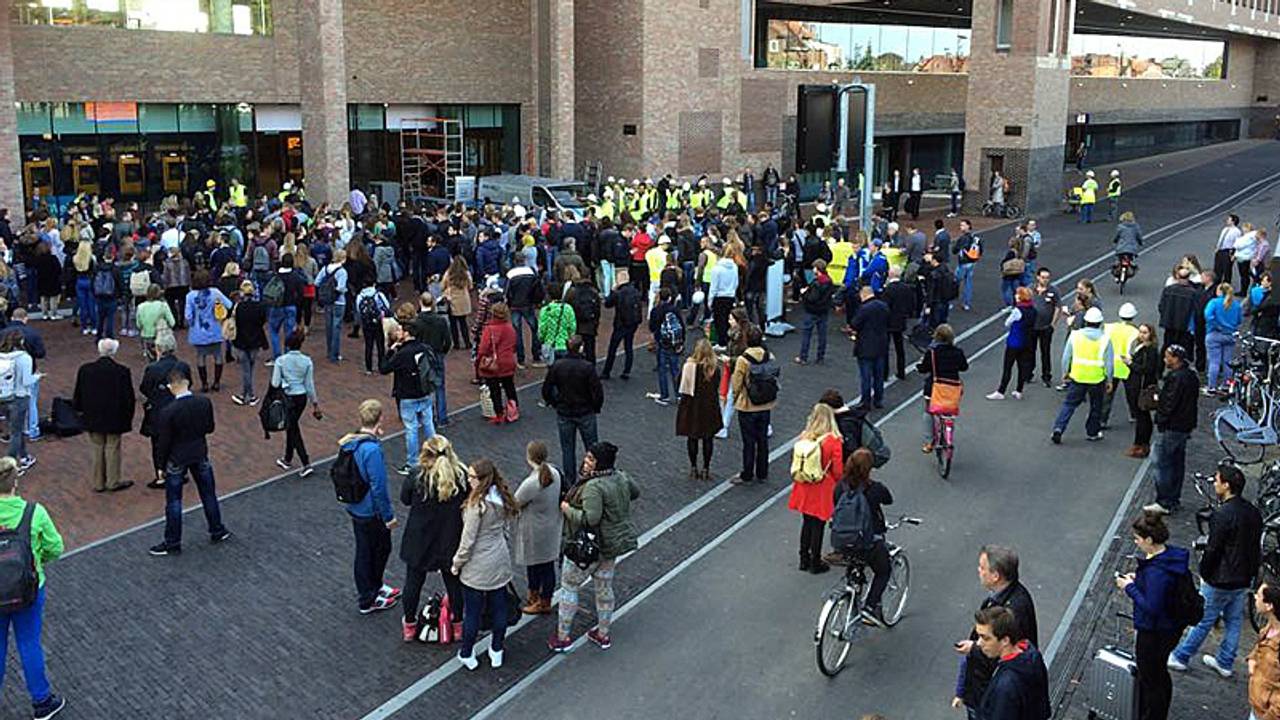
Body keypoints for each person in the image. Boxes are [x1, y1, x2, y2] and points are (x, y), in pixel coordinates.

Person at [1168, 463, 1263, 678]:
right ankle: (1225, 661)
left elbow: (1214, 548)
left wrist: (1204, 571)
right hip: (1243, 576)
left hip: (1221, 577)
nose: (1215, 484)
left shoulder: (1222, 514)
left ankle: (1181, 656)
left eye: (1217, 480)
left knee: (1203, 618)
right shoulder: (1253, 512)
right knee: (1234, 619)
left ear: (1227, 485)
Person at [549, 442, 640, 653]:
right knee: (604, 588)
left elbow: (590, 518)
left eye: (590, 458)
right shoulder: (620, 477)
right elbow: (635, 492)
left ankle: (563, 637)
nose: (586, 461)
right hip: (612, 545)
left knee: (569, 587)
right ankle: (603, 633)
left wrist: (567, 508)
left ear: (599, 462)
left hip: (590, 547)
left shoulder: (593, 487)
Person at [0, 456, 66, 720]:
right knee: (29, 643)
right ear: (15, 482)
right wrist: (38, 562)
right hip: (27, 589)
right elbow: (55, 548)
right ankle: (42, 701)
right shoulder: (33, 512)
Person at [1117, 511, 1191, 720]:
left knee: (1151, 677)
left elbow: (1152, 606)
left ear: (1149, 540)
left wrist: (1129, 587)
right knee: (1159, 673)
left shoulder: (1158, 571)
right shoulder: (1168, 558)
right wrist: (1139, 581)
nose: (1136, 542)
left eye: (1138, 538)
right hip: (1170, 626)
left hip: (1155, 631)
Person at [149, 368, 231, 556]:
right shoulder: (203, 402)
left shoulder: (168, 411)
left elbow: (164, 442)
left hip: (177, 457)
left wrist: (160, 466)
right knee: (208, 494)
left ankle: (172, 542)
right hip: (199, 452)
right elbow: (209, 428)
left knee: (174, 502)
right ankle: (217, 529)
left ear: (171, 386)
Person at [953, 546, 1041, 719]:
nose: (979, 571)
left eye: (982, 567)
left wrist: (973, 649)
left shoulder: (1011, 612)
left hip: (985, 694)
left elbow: (998, 655)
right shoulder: (1011, 596)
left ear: (996, 576)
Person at [399, 434, 467, 641]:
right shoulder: (461, 474)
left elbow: (404, 500)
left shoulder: (416, 475)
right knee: (453, 583)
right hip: (450, 537)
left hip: (420, 538)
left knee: (413, 582)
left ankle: (409, 625)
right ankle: (457, 626)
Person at [451, 458, 517, 671]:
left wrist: (456, 564)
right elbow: (505, 529)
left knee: (473, 613)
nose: (468, 480)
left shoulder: (475, 506)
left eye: (471, 477)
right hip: (499, 560)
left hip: (477, 566)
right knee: (499, 608)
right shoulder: (502, 498)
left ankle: (467, 653)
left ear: (481, 480)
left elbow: (467, 541)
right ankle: (496, 649)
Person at [339, 399, 400, 614]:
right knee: (378, 549)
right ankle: (368, 596)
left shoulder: (350, 442)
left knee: (366, 550)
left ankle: (374, 587)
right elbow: (379, 486)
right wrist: (388, 515)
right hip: (371, 510)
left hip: (356, 506)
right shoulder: (371, 450)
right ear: (379, 418)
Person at [71, 338, 136, 493]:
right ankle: (113, 481)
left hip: (92, 415)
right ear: (114, 351)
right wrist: (128, 416)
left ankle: (98, 482)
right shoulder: (122, 371)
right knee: (113, 447)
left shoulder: (85, 370)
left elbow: (78, 393)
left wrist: (79, 410)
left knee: (96, 447)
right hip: (114, 416)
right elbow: (128, 398)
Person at [787, 404, 845, 575]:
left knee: (806, 522)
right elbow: (838, 470)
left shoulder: (805, 436)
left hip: (804, 483)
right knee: (818, 524)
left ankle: (803, 558)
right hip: (822, 486)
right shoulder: (833, 441)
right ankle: (815, 561)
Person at [1144, 344, 1199, 514]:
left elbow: (1169, 403)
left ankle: (1164, 500)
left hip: (1172, 426)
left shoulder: (1175, 378)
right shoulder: (1191, 376)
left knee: (1162, 462)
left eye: (1168, 356)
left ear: (1175, 358)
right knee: (1177, 462)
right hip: (1184, 425)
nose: (1165, 359)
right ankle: (1173, 498)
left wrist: (1160, 418)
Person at [970, 606, 1051, 720]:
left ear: (1005, 640)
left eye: (985, 638)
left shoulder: (1006, 685)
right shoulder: (1032, 655)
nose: (979, 643)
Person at [542, 334, 604, 479]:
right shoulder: (587, 367)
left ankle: (570, 481)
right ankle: (592, 476)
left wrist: (555, 402)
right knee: (592, 448)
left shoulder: (558, 366)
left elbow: (546, 389)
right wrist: (595, 407)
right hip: (585, 412)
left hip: (565, 412)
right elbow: (597, 391)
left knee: (568, 449)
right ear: (581, 347)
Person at [1050, 306, 1113, 444]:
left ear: (1085, 321)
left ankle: (1058, 428)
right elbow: (1109, 363)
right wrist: (1109, 380)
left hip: (1077, 377)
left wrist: (1065, 373)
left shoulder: (1075, 335)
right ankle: (1092, 432)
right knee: (1096, 407)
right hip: (1097, 379)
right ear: (1100, 322)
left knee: (1069, 404)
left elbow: (1066, 357)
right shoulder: (1105, 339)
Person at [514, 440, 563, 615]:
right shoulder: (554, 472)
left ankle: (539, 598)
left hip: (534, 530)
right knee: (546, 565)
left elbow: (515, 503)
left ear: (529, 457)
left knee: (534, 563)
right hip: (552, 525)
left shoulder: (531, 483)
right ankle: (542, 597)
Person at [270, 329, 321, 476]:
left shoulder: (280, 361)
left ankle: (305, 462)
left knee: (292, 428)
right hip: (301, 398)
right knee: (292, 426)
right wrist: (315, 403)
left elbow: (275, 382)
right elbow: (310, 385)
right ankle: (287, 458)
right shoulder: (307, 361)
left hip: (287, 397)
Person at [730, 326, 777, 485]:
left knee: (749, 442)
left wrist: (737, 398)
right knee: (762, 440)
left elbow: (737, 383)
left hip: (748, 405)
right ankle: (762, 473)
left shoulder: (743, 360)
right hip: (765, 404)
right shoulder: (769, 356)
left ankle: (747, 473)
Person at [677, 339, 724, 481]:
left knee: (692, 438)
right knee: (708, 439)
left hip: (691, 407)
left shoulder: (689, 367)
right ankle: (706, 468)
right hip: (709, 408)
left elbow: (680, 384)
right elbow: (716, 386)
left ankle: (693, 467)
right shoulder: (714, 369)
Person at [918, 324, 969, 453]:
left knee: (928, 411)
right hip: (952, 387)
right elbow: (964, 367)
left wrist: (919, 366)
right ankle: (948, 436)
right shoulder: (958, 352)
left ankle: (929, 442)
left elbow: (924, 368)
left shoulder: (933, 352)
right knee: (949, 413)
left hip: (935, 386)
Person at [184, 270, 234, 393]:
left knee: (201, 356)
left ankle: (204, 383)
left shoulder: (190, 296)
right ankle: (216, 382)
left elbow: (188, 315)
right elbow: (229, 304)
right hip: (215, 329)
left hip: (198, 331)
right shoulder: (215, 292)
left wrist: (191, 324)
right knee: (218, 355)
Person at [987, 287, 1037, 400]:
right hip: (1027, 342)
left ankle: (1001, 391)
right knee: (1022, 366)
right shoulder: (1033, 310)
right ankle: (1019, 390)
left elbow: (1007, 323)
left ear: (1020, 297)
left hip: (1014, 342)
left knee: (1008, 367)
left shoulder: (1017, 310)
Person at [477, 302, 519, 424]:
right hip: (508, 361)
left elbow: (483, 349)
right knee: (509, 387)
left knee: (494, 389)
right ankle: (513, 410)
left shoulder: (489, 329)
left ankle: (499, 414)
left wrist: (479, 361)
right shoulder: (510, 328)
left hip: (494, 364)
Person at [0, 331, 36, 473]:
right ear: (21, 342)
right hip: (19, 397)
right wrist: (37, 377)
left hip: (4, 397)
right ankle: (10, 466)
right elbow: (27, 381)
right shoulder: (25, 358)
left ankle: (25, 456)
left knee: (14, 428)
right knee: (16, 432)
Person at [1101, 302, 1141, 427]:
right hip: (1126, 367)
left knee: (1108, 394)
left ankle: (1103, 420)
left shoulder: (1109, 327)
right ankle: (1134, 415)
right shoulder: (1135, 332)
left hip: (1110, 365)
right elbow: (1135, 350)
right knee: (1132, 394)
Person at [850, 285, 890, 409]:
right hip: (881, 345)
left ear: (863, 294)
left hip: (865, 346)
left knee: (866, 376)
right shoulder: (884, 306)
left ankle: (865, 401)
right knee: (879, 376)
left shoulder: (864, 309)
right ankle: (878, 400)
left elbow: (855, 324)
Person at [230, 280, 268, 406]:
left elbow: (235, 322)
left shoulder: (238, 307)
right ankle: (249, 395)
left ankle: (246, 395)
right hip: (256, 340)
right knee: (251, 368)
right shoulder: (260, 307)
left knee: (245, 370)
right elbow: (262, 321)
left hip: (241, 340)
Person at [1126, 323, 1162, 459]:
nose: (1141, 335)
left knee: (1142, 416)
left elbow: (1147, 369)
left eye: (1145, 332)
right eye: (1140, 332)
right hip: (1137, 384)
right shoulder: (1140, 347)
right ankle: (1140, 443)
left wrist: (1130, 364)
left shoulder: (1150, 350)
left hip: (1142, 386)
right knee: (1142, 416)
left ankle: (1141, 444)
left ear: (1151, 334)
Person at [601, 269, 642, 380]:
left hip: (620, 323)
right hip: (632, 323)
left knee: (613, 348)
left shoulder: (618, 293)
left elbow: (607, 304)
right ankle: (626, 371)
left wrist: (612, 291)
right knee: (628, 346)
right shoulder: (635, 291)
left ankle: (606, 371)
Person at [1247, 584, 1280, 720]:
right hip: (1258, 705)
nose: (1255, 597)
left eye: (1259, 596)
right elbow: (1259, 648)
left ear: (1269, 606)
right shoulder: (1268, 629)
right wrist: (1252, 658)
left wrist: (1271, 715)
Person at [1204, 283, 1243, 394]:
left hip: (1215, 334)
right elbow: (1240, 320)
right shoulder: (1236, 304)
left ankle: (1212, 386)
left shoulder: (1214, 302)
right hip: (1230, 335)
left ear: (1219, 291)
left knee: (1214, 362)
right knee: (1228, 362)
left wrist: (1216, 325)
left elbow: (1207, 315)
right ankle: (1226, 385)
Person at [795, 259, 835, 366]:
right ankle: (820, 357)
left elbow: (812, 298)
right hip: (823, 311)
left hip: (812, 311)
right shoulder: (829, 281)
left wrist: (804, 293)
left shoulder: (816, 283)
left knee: (807, 334)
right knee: (822, 335)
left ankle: (803, 357)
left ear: (817, 269)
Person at [314, 249, 349, 363]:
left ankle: (329, 351)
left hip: (327, 301)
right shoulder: (342, 271)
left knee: (329, 326)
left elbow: (316, 282)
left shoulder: (325, 269)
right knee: (336, 327)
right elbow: (340, 287)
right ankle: (335, 354)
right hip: (339, 301)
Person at [1158, 267, 1199, 360]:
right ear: (1189, 277)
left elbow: (1161, 306)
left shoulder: (1168, 289)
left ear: (1177, 276)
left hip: (1170, 324)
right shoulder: (1193, 293)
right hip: (1185, 326)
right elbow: (1196, 310)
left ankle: (1159, 368)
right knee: (1186, 349)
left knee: (1167, 346)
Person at [883, 266, 917, 379]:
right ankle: (901, 371)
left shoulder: (888, 289)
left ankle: (884, 373)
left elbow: (885, 306)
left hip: (888, 321)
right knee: (899, 348)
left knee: (885, 348)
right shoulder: (907, 288)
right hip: (900, 320)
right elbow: (912, 303)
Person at [353, 282, 391, 375]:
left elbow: (358, 310)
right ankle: (381, 366)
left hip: (366, 323)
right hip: (378, 322)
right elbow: (387, 306)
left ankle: (368, 368)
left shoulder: (360, 296)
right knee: (380, 344)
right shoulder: (378, 294)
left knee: (368, 345)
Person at [135, 283, 176, 361]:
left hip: (147, 336)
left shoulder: (140, 307)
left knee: (150, 360)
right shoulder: (163, 306)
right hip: (161, 336)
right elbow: (172, 322)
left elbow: (138, 325)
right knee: (163, 359)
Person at [952, 220, 980, 311]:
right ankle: (966, 303)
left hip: (963, 263)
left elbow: (954, 250)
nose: (961, 227)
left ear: (968, 226)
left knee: (955, 282)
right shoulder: (976, 238)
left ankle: (950, 301)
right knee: (968, 284)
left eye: (963, 225)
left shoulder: (962, 238)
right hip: (972, 262)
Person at [1214, 214, 1241, 287]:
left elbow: (1237, 243)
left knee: (1227, 269)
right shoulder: (1225, 229)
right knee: (1217, 268)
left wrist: (1234, 254)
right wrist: (1217, 248)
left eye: (1229, 219)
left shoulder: (1237, 232)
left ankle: (1226, 285)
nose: (1227, 220)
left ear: (1233, 221)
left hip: (1228, 251)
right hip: (1220, 250)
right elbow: (1221, 239)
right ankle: (1217, 284)